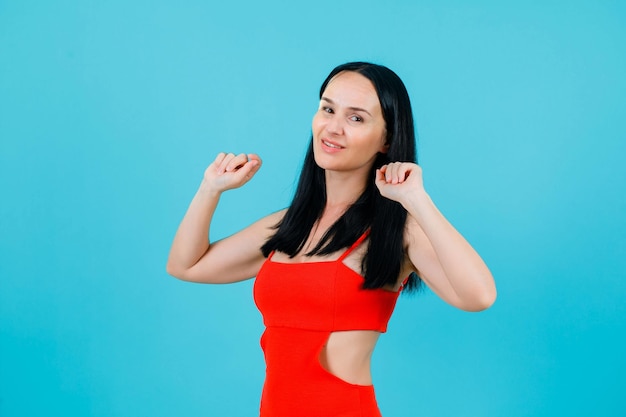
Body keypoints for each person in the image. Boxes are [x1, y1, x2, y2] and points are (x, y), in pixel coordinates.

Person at [166, 62, 496, 416]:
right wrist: (210, 189)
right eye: (328, 109)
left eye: (356, 118)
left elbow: (478, 296)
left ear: (386, 139)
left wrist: (417, 200)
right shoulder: (286, 226)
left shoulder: (395, 231)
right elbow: (186, 265)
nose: (333, 128)